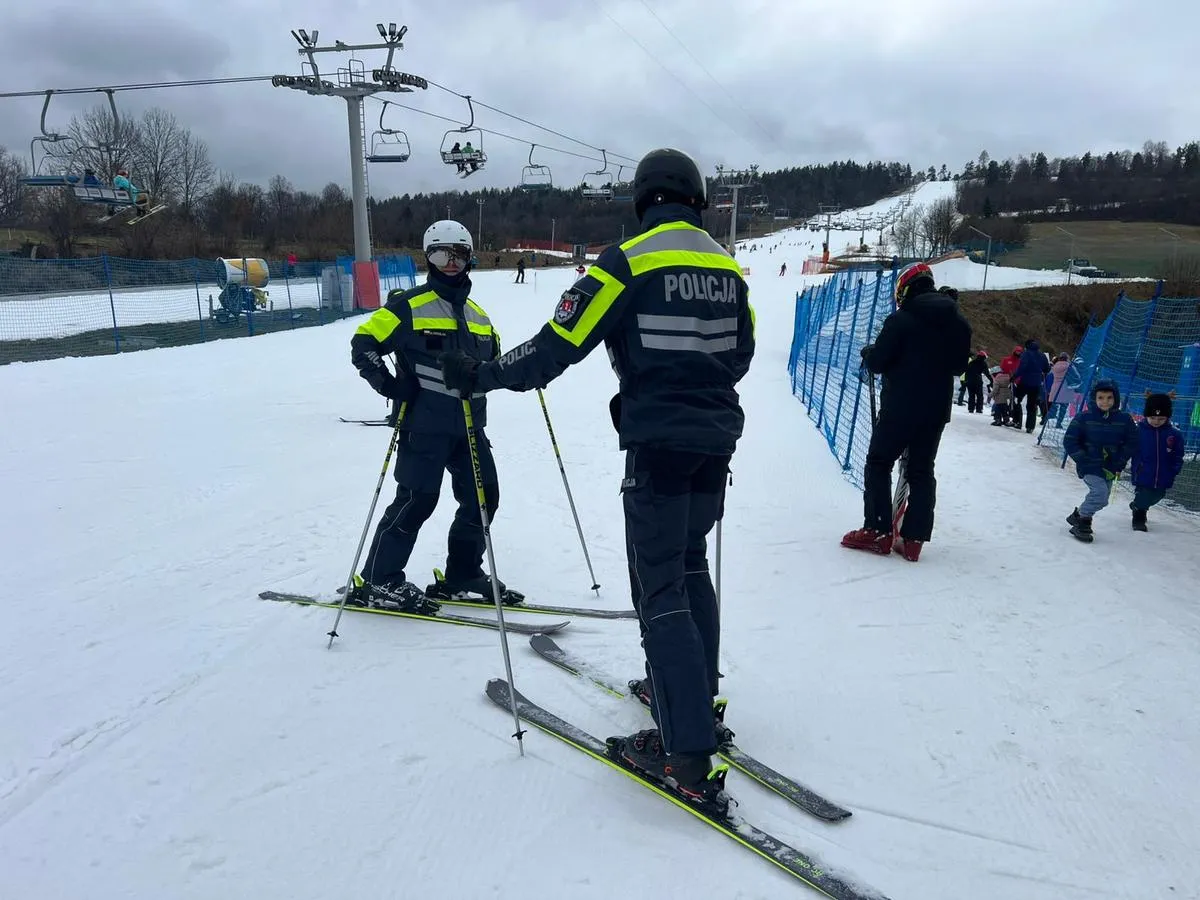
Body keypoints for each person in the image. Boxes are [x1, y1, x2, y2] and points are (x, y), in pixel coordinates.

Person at [439, 147, 754, 812]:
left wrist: (483, 374)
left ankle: (685, 752)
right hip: (715, 441)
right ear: (696, 200)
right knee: (690, 566)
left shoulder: (629, 260)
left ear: (643, 200)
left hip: (660, 444)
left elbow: (555, 346)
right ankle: (697, 698)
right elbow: (742, 352)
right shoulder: (726, 267)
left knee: (660, 583)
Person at [345, 219, 503, 612]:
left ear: (470, 260)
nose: (450, 263)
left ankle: (462, 572)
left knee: (484, 500)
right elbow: (362, 343)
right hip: (425, 427)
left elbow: (493, 361)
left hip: (470, 428)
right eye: (440, 254)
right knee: (417, 499)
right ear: (428, 258)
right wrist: (389, 385)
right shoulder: (408, 306)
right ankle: (380, 580)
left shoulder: (480, 315)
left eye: (459, 255)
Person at [841, 264, 971, 561]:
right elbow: (958, 366)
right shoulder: (958, 321)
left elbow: (878, 363)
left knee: (878, 462)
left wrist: (871, 352)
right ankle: (914, 538)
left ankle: (878, 529)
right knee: (922, 469)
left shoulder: (901, 319)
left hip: (900, 406)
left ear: (905, 289)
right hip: (936, 410)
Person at [1062, 379, 1138, 542]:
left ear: (1115, 398)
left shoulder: (1124, 420)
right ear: (1094, 398)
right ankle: (1084, 522)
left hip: (1111, 466)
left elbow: (1132, 441)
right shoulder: (1084, 418)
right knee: (1100, 493)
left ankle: (1077, 514)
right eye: (1101, 397)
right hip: (1089, 464)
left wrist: (1121, 459)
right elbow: (1070, 440)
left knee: (1103, 500)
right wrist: (1082, 457)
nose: (1105, 401)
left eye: (1109, 398)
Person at [1129, 392, 1184, 531]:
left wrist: (1174, 470)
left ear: (1167, 417)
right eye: (1152, 417)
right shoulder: (1138, 431)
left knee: (1158, 495)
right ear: (1146, 415)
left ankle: (1139, 505)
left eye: (1161, 418)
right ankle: (1139, 516)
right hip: (1143, 472)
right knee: (1144, 495)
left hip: (1164, 474)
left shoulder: (1174, 434)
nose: (1156, 421)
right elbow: (1128, 447)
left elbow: (1178, 454)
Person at [1012, 339, 1050, 433]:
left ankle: (1017, 420)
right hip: (1036, 383)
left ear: (1027, 346)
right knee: (1032, 405)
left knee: (1017, 399)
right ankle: (1030, 426)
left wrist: (1014, 376)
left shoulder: (1026, 354)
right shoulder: (1042, 355)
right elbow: (1047, 368)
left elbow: (1022, 367)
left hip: (1025, 382)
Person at [963, 349, 992, 413]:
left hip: (970, 381)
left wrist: (966, 380)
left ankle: (971, 408)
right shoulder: (983, 363)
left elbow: (967, 372)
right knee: (979, 396)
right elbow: (987, 373)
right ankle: (979, 409)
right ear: (983, 357)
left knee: (971, 395)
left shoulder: (972, 362)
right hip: (978, 381)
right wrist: (991, 380)